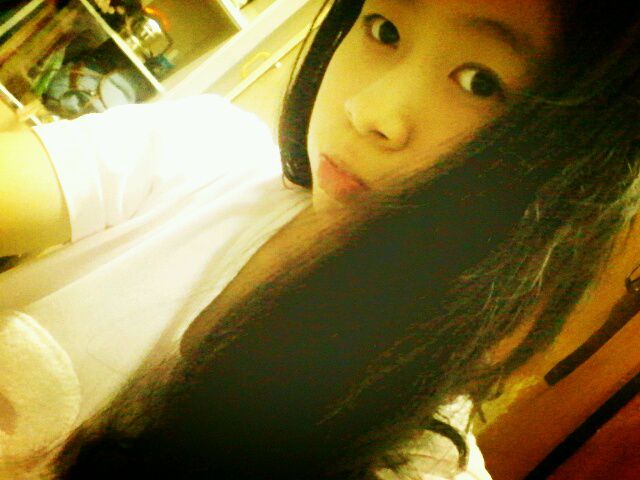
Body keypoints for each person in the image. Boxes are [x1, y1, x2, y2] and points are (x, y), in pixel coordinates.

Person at [1, 0, 639, 478]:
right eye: (384, 29)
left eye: (479, 81)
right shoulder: (199, 152)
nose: (370, 110)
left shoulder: (417, 460)